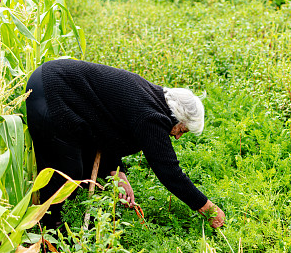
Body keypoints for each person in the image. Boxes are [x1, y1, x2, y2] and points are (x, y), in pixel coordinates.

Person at [25, 59, 226, 229]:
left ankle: (71, 227)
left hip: (54, 85)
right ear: (176, 116)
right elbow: (169, 172)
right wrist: (207, 208)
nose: (178, 137)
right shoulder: (152, 117)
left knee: (82, 172)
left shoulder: (151, 98)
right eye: (181, 130)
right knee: (67, 175)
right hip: (51, 90)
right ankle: (49, 233)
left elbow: (109, 126)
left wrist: (116, 171)